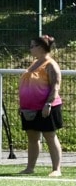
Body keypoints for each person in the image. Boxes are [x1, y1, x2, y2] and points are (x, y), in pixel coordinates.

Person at [18, 34, 63, 177]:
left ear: (41, 48)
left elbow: (55, 86)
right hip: (30, 108)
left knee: (50, 136)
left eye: (32, 46)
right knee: (32, 138)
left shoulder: (50, 64)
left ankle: (57, 169)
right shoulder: (35, 63)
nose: (30, 49)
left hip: (46, 107)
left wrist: (48, 104)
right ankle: (30, 167)